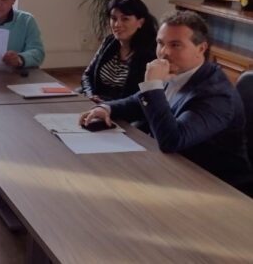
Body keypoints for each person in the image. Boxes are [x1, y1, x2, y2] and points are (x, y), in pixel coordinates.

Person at [80, 11, 250, 186]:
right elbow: (138, 102)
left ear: (201, 48)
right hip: (172, 167)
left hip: (213, 184)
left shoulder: (217, 95)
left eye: (175, 45)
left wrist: (152, 85)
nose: (164, 52)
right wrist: (106, 108)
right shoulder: (179, 70)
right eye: (160, 43)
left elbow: (172, 141)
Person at [81, 0, 158, 102]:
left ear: (140, 22)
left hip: (123, 107)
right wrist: (90, 94)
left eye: (125, 19)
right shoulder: (109, 41)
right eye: (113, 18)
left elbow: (140, 97)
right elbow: (87, 75)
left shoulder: (150, 52)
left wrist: (108, 105)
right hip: (97, 100)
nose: (117, 24)